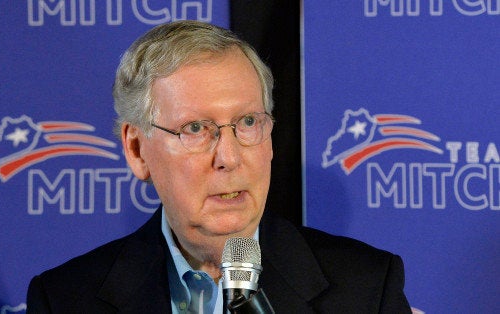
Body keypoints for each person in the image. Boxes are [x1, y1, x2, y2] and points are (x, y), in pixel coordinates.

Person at [25, 20, 412, 313]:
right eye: (196, 129)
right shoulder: (64, 300)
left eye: (247, 123)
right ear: (137, 150)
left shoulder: (366, 289)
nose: (229, 157)